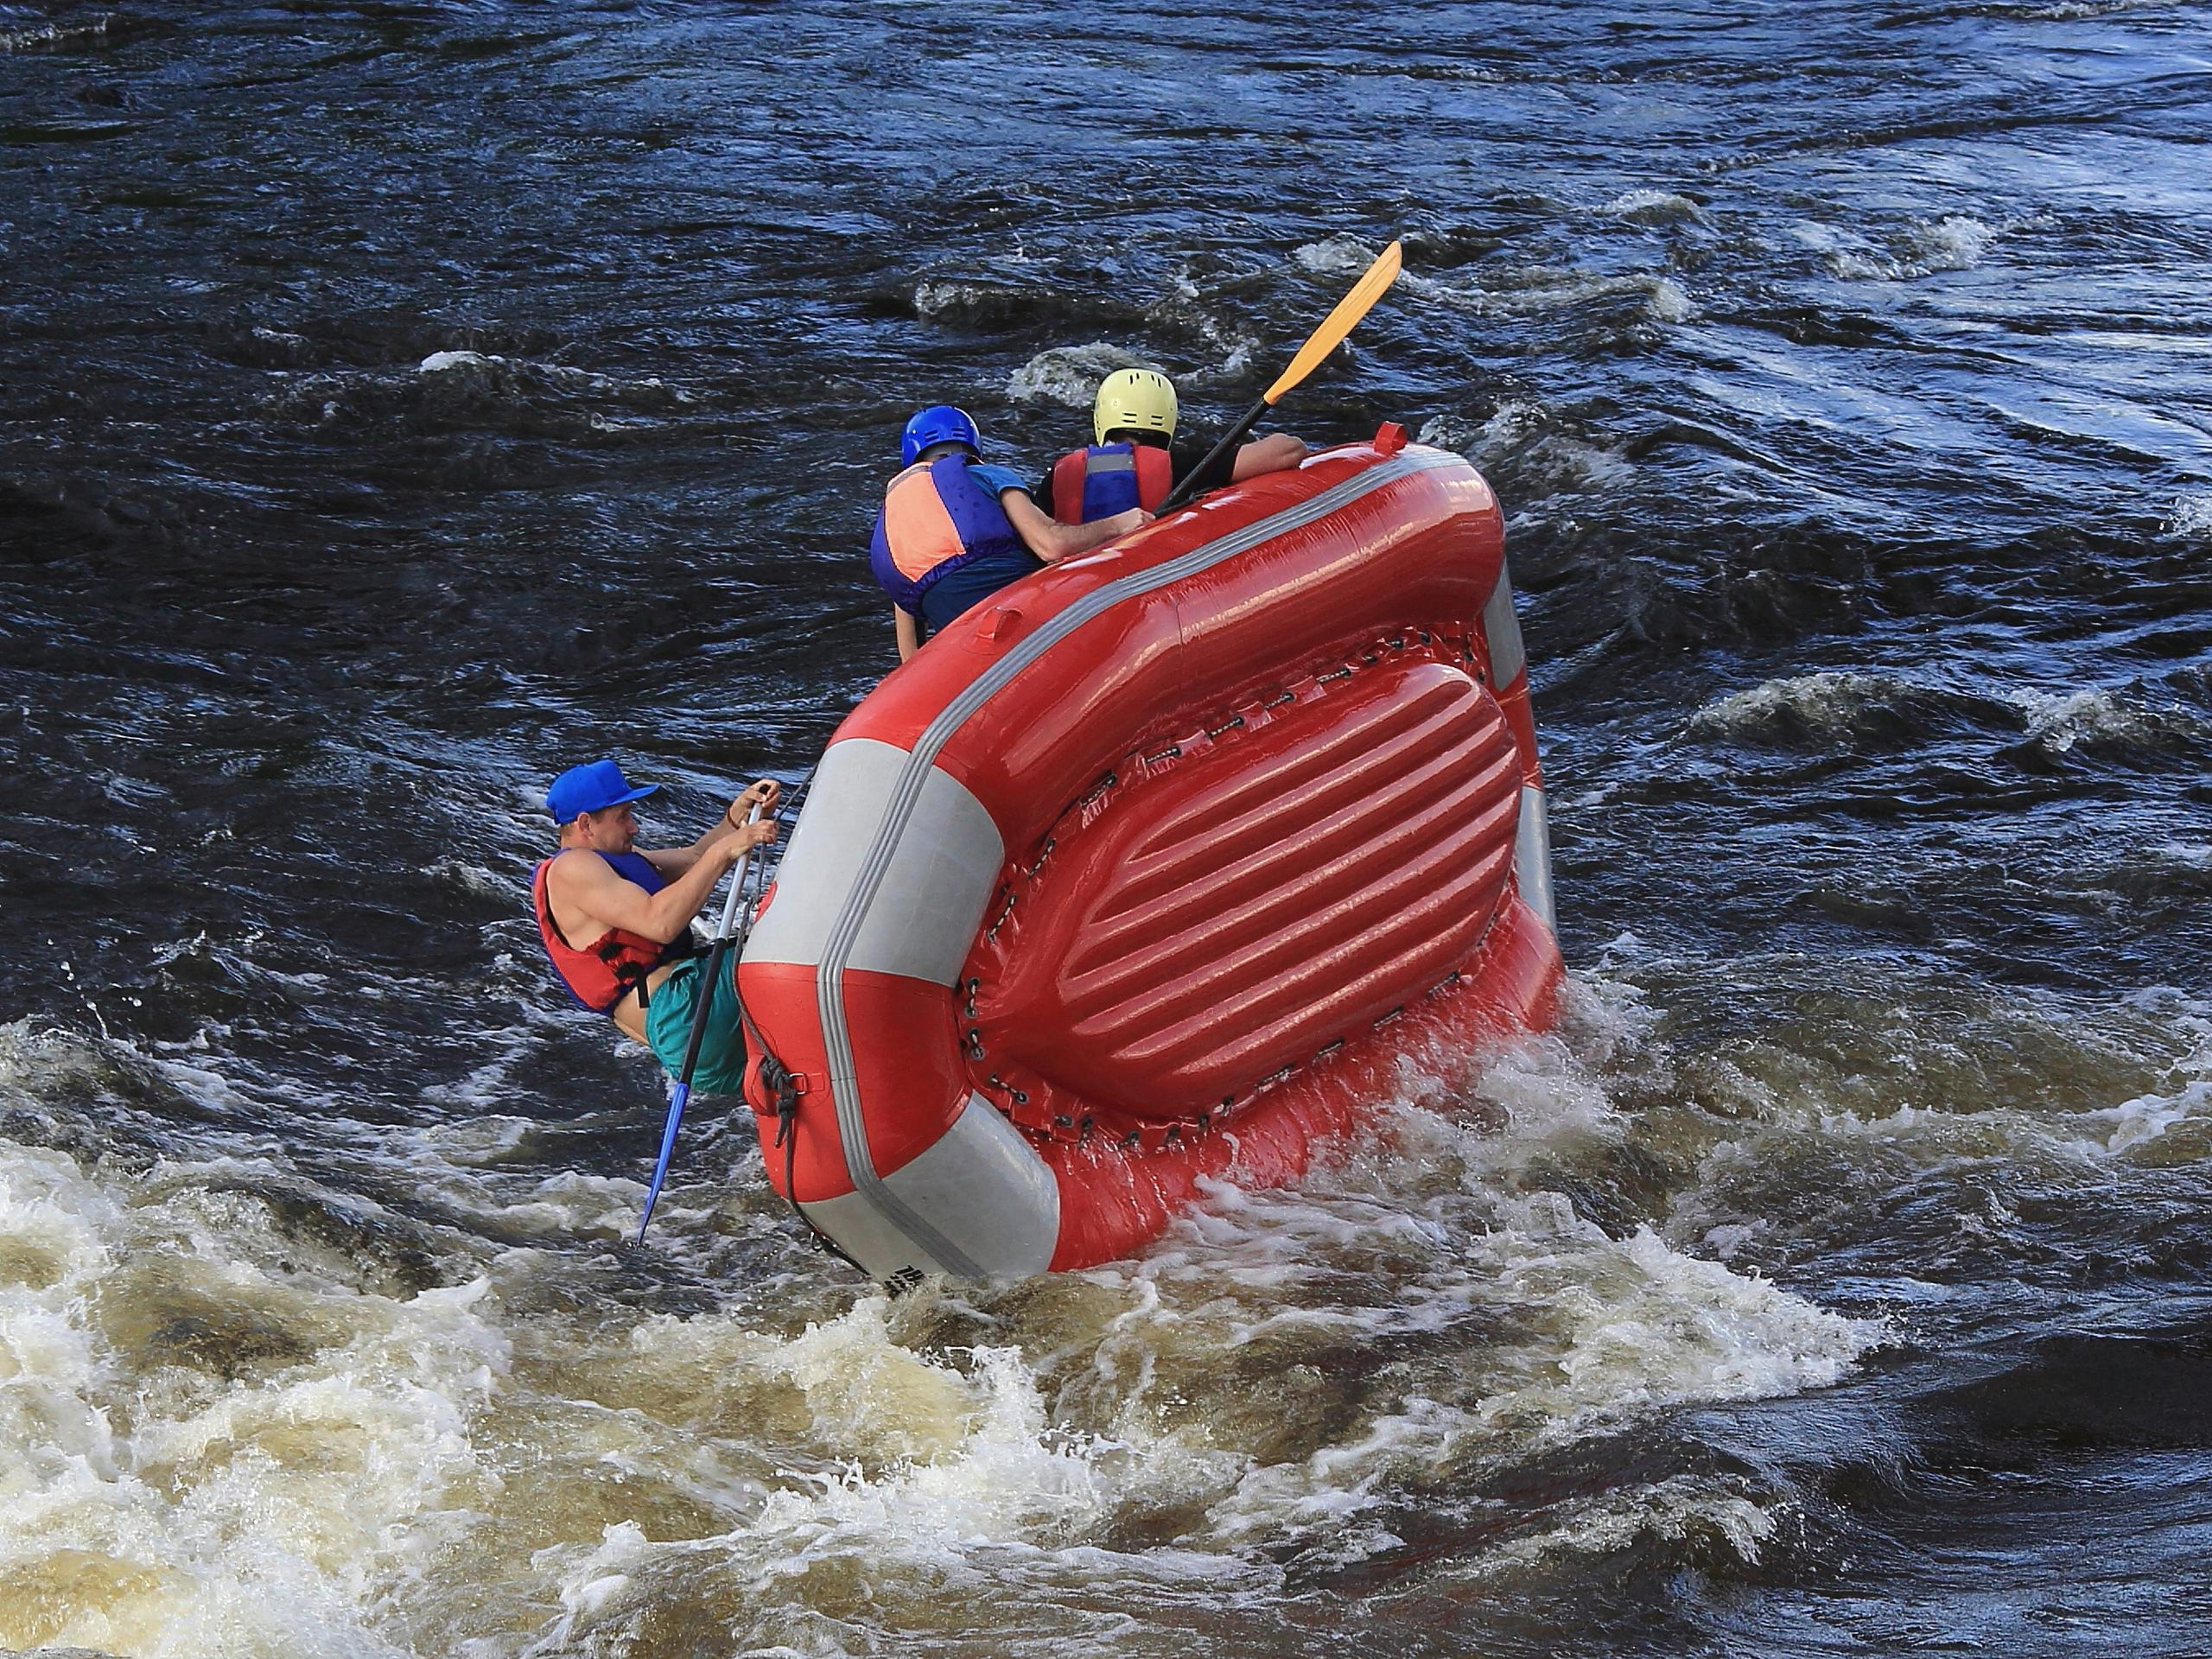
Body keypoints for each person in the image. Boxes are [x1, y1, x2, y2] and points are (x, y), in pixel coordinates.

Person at [531, 757, 779, 1093]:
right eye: (623, 817)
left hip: (687, 1037)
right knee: (785, 942)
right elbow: (659, 922)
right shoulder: (572, 868)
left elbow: (693, 858)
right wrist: (726, 851)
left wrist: (737, 817)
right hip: (684, 1012)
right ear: (586, 824)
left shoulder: (610, 864)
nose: (634, 827)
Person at [871, 404, 1151, 663]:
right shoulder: (988, 475)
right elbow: (1051, 545)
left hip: (969, 646)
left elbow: (910, 656)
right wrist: (1121, 523)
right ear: (972, 449)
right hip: (1024, 613)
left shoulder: (894, 519)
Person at [1039, 368, 1308, 524]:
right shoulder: (1182, 467)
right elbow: (1288, 450)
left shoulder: (1060, 475)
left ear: (1101, 415)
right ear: (1169, 417)